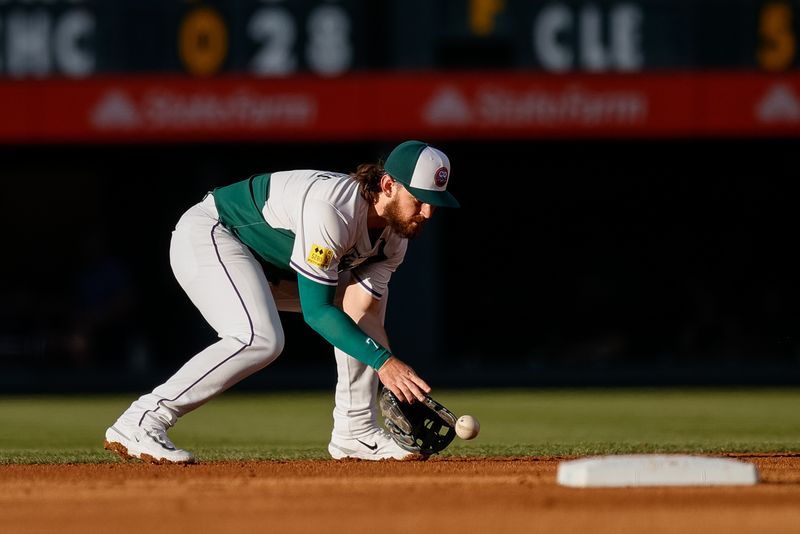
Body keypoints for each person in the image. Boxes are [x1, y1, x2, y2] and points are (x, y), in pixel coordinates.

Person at [103, 140, 459, 464]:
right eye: (419, 199)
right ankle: (143, 419)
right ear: (387, 186)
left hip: (269, 266)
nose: (427, 212)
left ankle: (357, 432)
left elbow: (360, 312)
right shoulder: (333, 209)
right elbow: (318, 311)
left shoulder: (395, 238)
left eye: (435, 202)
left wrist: (389, 369)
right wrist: (384, 363)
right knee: (259, 338)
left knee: (364, 314)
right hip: (213, 234)